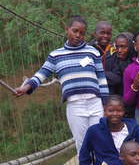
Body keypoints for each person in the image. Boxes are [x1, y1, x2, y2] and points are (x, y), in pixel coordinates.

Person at [15, 15, 109, 153]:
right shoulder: (56, 55)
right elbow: (42, 74)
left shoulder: (92, 52)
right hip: (75, 106)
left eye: (82, 33)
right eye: (75, 31)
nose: (78, 35)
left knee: (100, 141)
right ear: (67, 30)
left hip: (95, 103)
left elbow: (102, 79)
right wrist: (26, 87)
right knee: (82, 144)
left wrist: (105, 104)